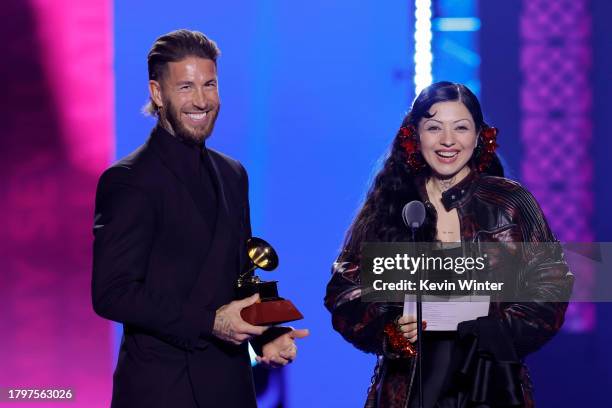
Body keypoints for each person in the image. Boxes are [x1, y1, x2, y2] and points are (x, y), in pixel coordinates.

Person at [92, 29, 308, 408]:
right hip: (161, 389)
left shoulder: (232, 174)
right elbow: (113, 293)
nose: (202, 100)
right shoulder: (128, 180)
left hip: (230, 388)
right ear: (158, 94)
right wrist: (210, 322)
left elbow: (241, 274)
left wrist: (267, 333)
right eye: (186, 87)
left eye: (209, 85)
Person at [325, 81, 573, 408]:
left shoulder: (510, 203)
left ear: (479, 136)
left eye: (461, 128)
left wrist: (498, 332)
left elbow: (552, 282)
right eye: (434, 128)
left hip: (489, 382)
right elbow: (344, 291)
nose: (447, 141)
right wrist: (392, 328)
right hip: (410, 386)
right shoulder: (391, 204)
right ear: (414, 136)